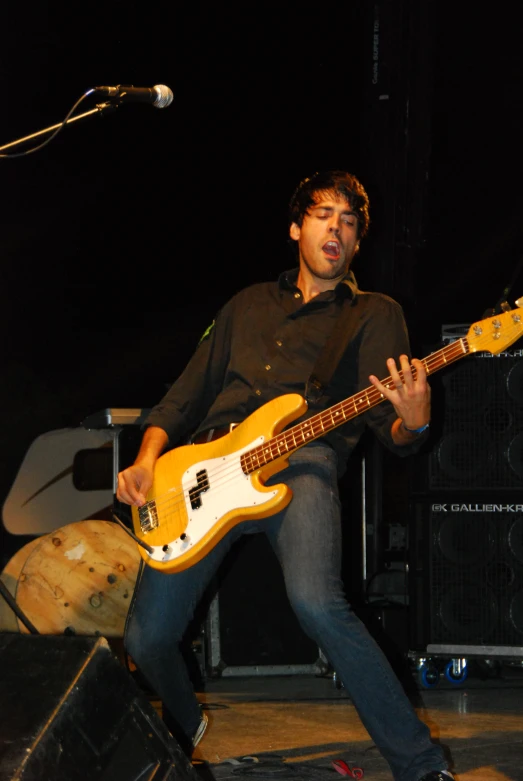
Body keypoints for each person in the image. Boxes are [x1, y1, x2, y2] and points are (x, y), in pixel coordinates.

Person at [116, 170, 454, 781]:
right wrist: (145, 460)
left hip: (302, 462)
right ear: (297, 227)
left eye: (350, 222)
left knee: (318, 604)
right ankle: (186, 736)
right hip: (202, 474)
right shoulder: (244, 305)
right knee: (145, 638)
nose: (338, 229)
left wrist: (416, 422)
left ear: (356, 244)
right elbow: (182, 397)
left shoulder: (374, 314)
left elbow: (393, 431)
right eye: (325, 215)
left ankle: (423, 767)